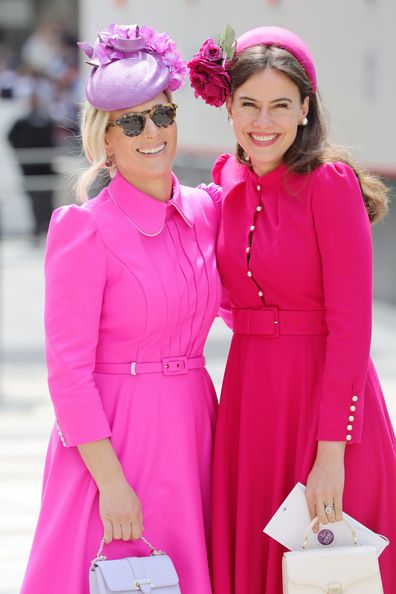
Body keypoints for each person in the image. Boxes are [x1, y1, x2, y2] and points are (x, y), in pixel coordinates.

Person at [20, 23, 225, 594]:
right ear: (105, 140)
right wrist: (110, 481)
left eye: (163, 115)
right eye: (131, 122)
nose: (152, 132)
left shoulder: (207, 212)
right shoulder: (84, 229)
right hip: (113, 441)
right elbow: (67, 372)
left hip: (194, 429)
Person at [189, 26, 395, 593]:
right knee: (259, 559)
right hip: (250, 399)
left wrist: (333, 452)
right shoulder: (224, 183)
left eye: (281, 105)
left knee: (330, 569)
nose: (264, 121)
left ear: (305, 108)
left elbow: (352, 327)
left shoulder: (329, 184)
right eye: (249, 104)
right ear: (228, 109)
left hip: (325, 402)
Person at [8, 91, 56, 239]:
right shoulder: (21, 123)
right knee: (34, 200)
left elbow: (55, 138)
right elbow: (10, 138)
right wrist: (21, 155)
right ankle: (37, 229)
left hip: (46, 168)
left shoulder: (47, 121)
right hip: (29, 170)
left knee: (48, 200)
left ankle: (49, 230)